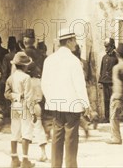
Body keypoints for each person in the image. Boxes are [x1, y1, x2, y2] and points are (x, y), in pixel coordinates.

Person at [41, 28, 90, 168]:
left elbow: (44, 83)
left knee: (57, 137)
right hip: (72, 105)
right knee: (71, 139)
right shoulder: (73, 61)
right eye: (74, 40)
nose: (75, 43)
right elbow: (79, 85)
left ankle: (55, 165)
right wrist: (86, 104)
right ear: (68, 41)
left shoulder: (49, 60)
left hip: (56, 105)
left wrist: (51, 100)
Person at [5, 52, 35, 168]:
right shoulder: (26, 78)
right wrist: (32, 111)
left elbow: (6, 94)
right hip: (24, 106)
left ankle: (14, 159)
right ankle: (25, 160)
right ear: (24, 66)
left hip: (14, 105)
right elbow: (28, 96)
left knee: (15, 130)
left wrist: (16, 96)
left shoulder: (11, 78)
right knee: (26, 131)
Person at [26, 62, 48, 163]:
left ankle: (25, 156)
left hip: (28, 105)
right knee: (39, 129)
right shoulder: (40, 81)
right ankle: (43, 153)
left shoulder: (26, 81)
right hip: (37, 105)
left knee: (26, 130)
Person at [98, 39, 118, 123]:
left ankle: (113, 117)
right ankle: (106, 117)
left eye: (107, 46)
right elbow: (102, 70)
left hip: (112, 83)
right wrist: (100, 81)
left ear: (112, 46)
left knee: (113, 100)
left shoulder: (116, 57)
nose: (106, 48)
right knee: (106, 100)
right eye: (105, 46)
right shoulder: (104, 57)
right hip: (105, 82)